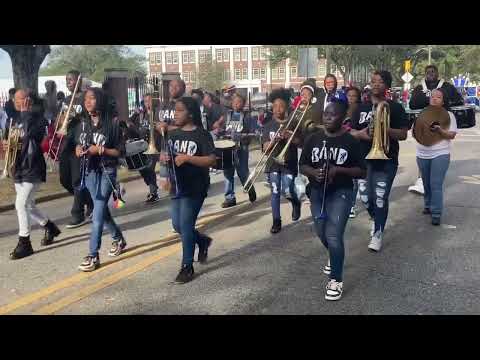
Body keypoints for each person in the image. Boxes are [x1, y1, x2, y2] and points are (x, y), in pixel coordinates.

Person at [300, 100, 366, 301]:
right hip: (318, 192)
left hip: (342, 192)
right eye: (326, 114)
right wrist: (313, 172)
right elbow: (302, 165)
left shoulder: (350, 141)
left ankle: (335, 279)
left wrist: (339, 170)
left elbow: (362, 171)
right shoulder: (313, 139)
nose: (327, 117)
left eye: (333, 114)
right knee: (321, 231)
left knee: (334, 234)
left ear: (342, 118)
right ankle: (335, 256)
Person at [158, 97, 216, 284]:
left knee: (186, 224)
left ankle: (187, 266)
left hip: (195, 186)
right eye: (175, 111)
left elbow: (211, 160)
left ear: (190, 113)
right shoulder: (172, 136)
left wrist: (188, 158)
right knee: (178, 225)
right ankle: (202, 241)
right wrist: (164, 162)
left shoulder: (202, 135)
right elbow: (167, 159)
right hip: (177, 185)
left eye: (179, 110)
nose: (175, 114)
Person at [350, 71, 409, 252]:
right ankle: (378, 220)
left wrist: (383, 128)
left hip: (387, 159)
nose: (376, 84)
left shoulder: (396, 107)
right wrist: (360, 134)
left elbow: (403, 134)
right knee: (366, 197)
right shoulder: (360, 108)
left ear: (387, 86)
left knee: (380, 198)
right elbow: (350, 131)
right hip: (363, 159)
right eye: (373, 81)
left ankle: (377, 233)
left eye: (380, 82)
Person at [74, 87, 126, 272]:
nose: (88, 102)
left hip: (107, 171)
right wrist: (79, 149)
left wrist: (101, 150)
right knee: (102, 212)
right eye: (86, 99)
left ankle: (93, 255)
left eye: (92, 98)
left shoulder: (113, 124)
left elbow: (120, 152)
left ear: (101, 101)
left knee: (97, 212)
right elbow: (78, 144)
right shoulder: (83, 123)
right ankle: (118, 239)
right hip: (88, 172)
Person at [5, 89, 61, 260]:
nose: (19, 102)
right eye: (16, 99)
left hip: (33, 167)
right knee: (29, 206)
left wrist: (26, 115)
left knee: (20, 204)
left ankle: (25, 242)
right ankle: (50, 227)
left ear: (29, 101)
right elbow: (13, 140)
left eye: (23, 99)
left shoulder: (38, 119)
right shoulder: (12, 119)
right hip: (18, 167)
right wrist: (7, 144)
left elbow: (32, 136)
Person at [408, 64, 463, 195]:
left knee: (439, 150)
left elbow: (458, 100)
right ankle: (422, 180)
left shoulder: (447, 86)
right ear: (425, 74)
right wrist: (432, 99)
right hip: (424, 123)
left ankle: (433, 180)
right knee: (424, 150)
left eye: (433, 71)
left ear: (437, 73)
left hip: (442, 121)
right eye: (428, 72)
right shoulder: (419, 88)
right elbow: (413, 103)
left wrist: (442, 104)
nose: (430, 73)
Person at [413, 88, 457, 226]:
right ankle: (427, 205)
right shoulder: (422, 113)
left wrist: (440, 131)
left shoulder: (449, 115)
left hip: (440, 153)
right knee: (426, 183)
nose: (434, 99)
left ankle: (436, 213)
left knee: (435, 184)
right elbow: (414, 132)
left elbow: (451, 135)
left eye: (438, 97)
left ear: (443, 101)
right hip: (422, 154)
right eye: (432, 97)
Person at [261, 88, 302, 234]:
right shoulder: (268, 125)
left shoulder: (293, 122)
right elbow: (265, 148)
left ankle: (296, 203)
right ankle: (276, 221)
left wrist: (289, 136)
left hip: (288, 163)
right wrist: (273, 141)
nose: (278, 109)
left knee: (288, 189)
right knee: (275, 191)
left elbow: (300, 143)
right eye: (275, 107)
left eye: (281, 106)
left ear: (287, 107)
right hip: (273, 163)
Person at [58, 70, 94, 229]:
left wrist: (77, 115)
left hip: (81, 142)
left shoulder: (86, 97)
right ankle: (91, 201)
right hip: (67, 143)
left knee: (77, 179)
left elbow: (91, 117)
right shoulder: (66, 100)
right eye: (67, 80)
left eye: (71, 80)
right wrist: (60, 120)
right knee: (65, 180)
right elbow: (58, 122)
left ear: (79, 81)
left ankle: (77, 214)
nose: (68, 82)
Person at [221, 93, 257, 208]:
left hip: (241, 148)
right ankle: (229, 197)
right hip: (228, 148)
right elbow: (223, 130)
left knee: (242, 172)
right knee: (228, 172)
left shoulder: (247, 117)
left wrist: (243, 137)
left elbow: (252, 132)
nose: (236, 104)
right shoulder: (227, 115)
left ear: (243, 103)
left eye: (239, 102)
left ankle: (249, 188)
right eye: (234, 102)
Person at [127, 93, 160, 203]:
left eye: (149, 100)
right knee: (143, 169)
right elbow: (131, 125)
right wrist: (134, 115)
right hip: (142, 146)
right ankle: (153, 187)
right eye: (145, 101)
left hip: (155, 145)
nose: (147, 103)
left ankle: (153, 192)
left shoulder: (158, 113)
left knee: (150, 168)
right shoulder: (142, 115)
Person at [344, 86, 362, 218]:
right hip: (344, 146)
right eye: (349, 95)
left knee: (354, 179)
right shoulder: (342, 109)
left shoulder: (361, 110)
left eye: (354, 96)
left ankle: (351, 205)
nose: (351, 98)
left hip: (357, 146)